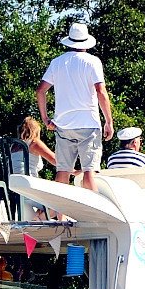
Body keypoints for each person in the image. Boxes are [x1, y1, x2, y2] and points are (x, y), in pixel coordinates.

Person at [36, 20, 114, 191]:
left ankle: (59, 215)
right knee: (89, 171)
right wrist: (109, 121)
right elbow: (101, 91)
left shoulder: (57, 62)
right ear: (86, 42)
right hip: (88, 123)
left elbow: (41, 90)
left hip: (63, 124)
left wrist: (45, 119)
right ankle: (94, 214)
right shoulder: (93, 61)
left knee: (62, 171)